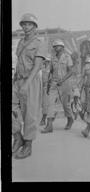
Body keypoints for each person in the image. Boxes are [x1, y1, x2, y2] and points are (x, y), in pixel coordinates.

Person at [12, 13, 47, 159]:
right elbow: (19, 62)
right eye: (23, 24)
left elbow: (37, 66)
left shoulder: (40, 43)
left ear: (34, 27)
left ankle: (28, 145)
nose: (26, 27)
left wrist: (26, 84)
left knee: (30, 113)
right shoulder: (20, 42)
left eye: (29, 24)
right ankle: (18, 136)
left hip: (30, 81)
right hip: (18, 80)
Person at [41, 39, 74, 133]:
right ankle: (49, 125)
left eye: (58, 46)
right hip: (54, 83)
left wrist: (62, 80)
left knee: (66, 105)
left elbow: (71, 71)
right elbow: (50, 71)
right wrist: (48, 84)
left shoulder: (67, 57)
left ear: (62, 47)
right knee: (50, 103)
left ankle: (70, 118)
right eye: (55, 46)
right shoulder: (53, 58)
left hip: (65, 83)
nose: (56, 48)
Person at [39, 54, 51, 126]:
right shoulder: (40, 68)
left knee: (45, 104)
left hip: (47, 88)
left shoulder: (51, 69)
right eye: (45, 61)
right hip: (39, 87)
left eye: (48, 61)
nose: (46, 62)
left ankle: (43, 119)